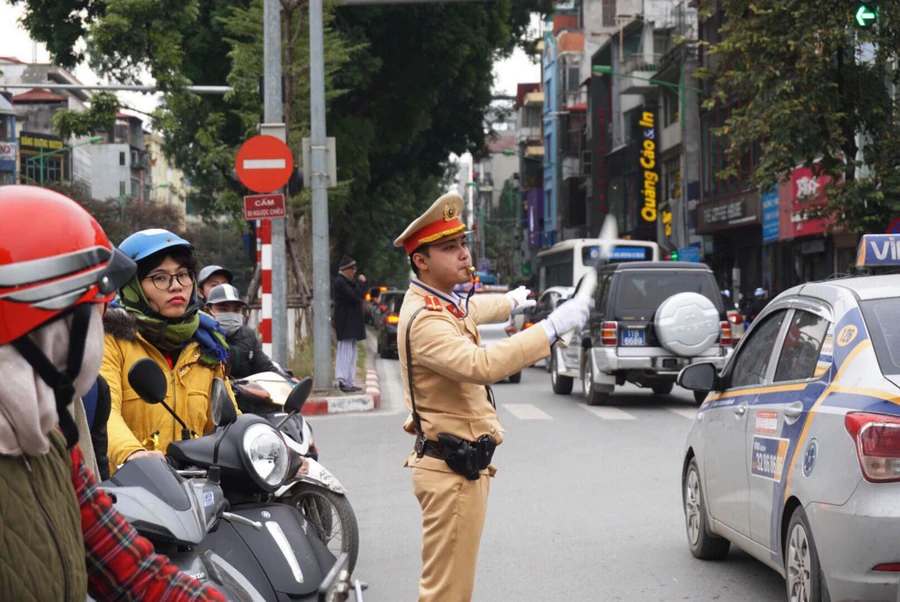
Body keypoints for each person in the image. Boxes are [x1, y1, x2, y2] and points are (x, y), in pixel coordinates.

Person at [0, 185, 225, 600]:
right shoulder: (117, 353)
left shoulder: (47, 442)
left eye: (182, 275)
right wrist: (137, 453)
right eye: (90, 312)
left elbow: (128, 569)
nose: (102, 326)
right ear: (40, 328)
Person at [394, 192, 590, 602]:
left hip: (456, 466)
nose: (465, 254)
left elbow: (472, 310)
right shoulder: (427, 320)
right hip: (450, 473)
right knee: (448, 594)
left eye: (463, 243)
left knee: (450, 587)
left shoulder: (437, 303)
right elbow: (480, 364)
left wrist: (512, 302)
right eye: (450, 248)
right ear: (421, 261)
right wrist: (551, 328)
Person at [101, 229, 239, 468]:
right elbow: (104, 413)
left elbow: (228, 422)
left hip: (198, 488)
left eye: (183, 275)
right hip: (130, 488)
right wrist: (132, 453)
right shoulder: (110, 339)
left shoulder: (207, 345)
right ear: (132, 287)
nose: (176, 286)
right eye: (160, 277)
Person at [205, 283, 288, 379]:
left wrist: (288, 382)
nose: (231, 314)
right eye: (223, 309)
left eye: (236, 310)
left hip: (246, 391)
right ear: (207, 311)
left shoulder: (248, 335)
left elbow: (265, 367)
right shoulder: (202, 338)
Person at [332, 255, 367, 392]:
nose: (354, 271)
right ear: (345, 270)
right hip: (345, 322)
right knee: (345, 350)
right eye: (352, 269)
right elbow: (355, 297)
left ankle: (349, 380)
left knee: (352, 352)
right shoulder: (341, 282)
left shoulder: (348, 282)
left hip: (351, 323)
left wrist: (360, 284)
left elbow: (360, 295)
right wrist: (361, 283)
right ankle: (342, 380)